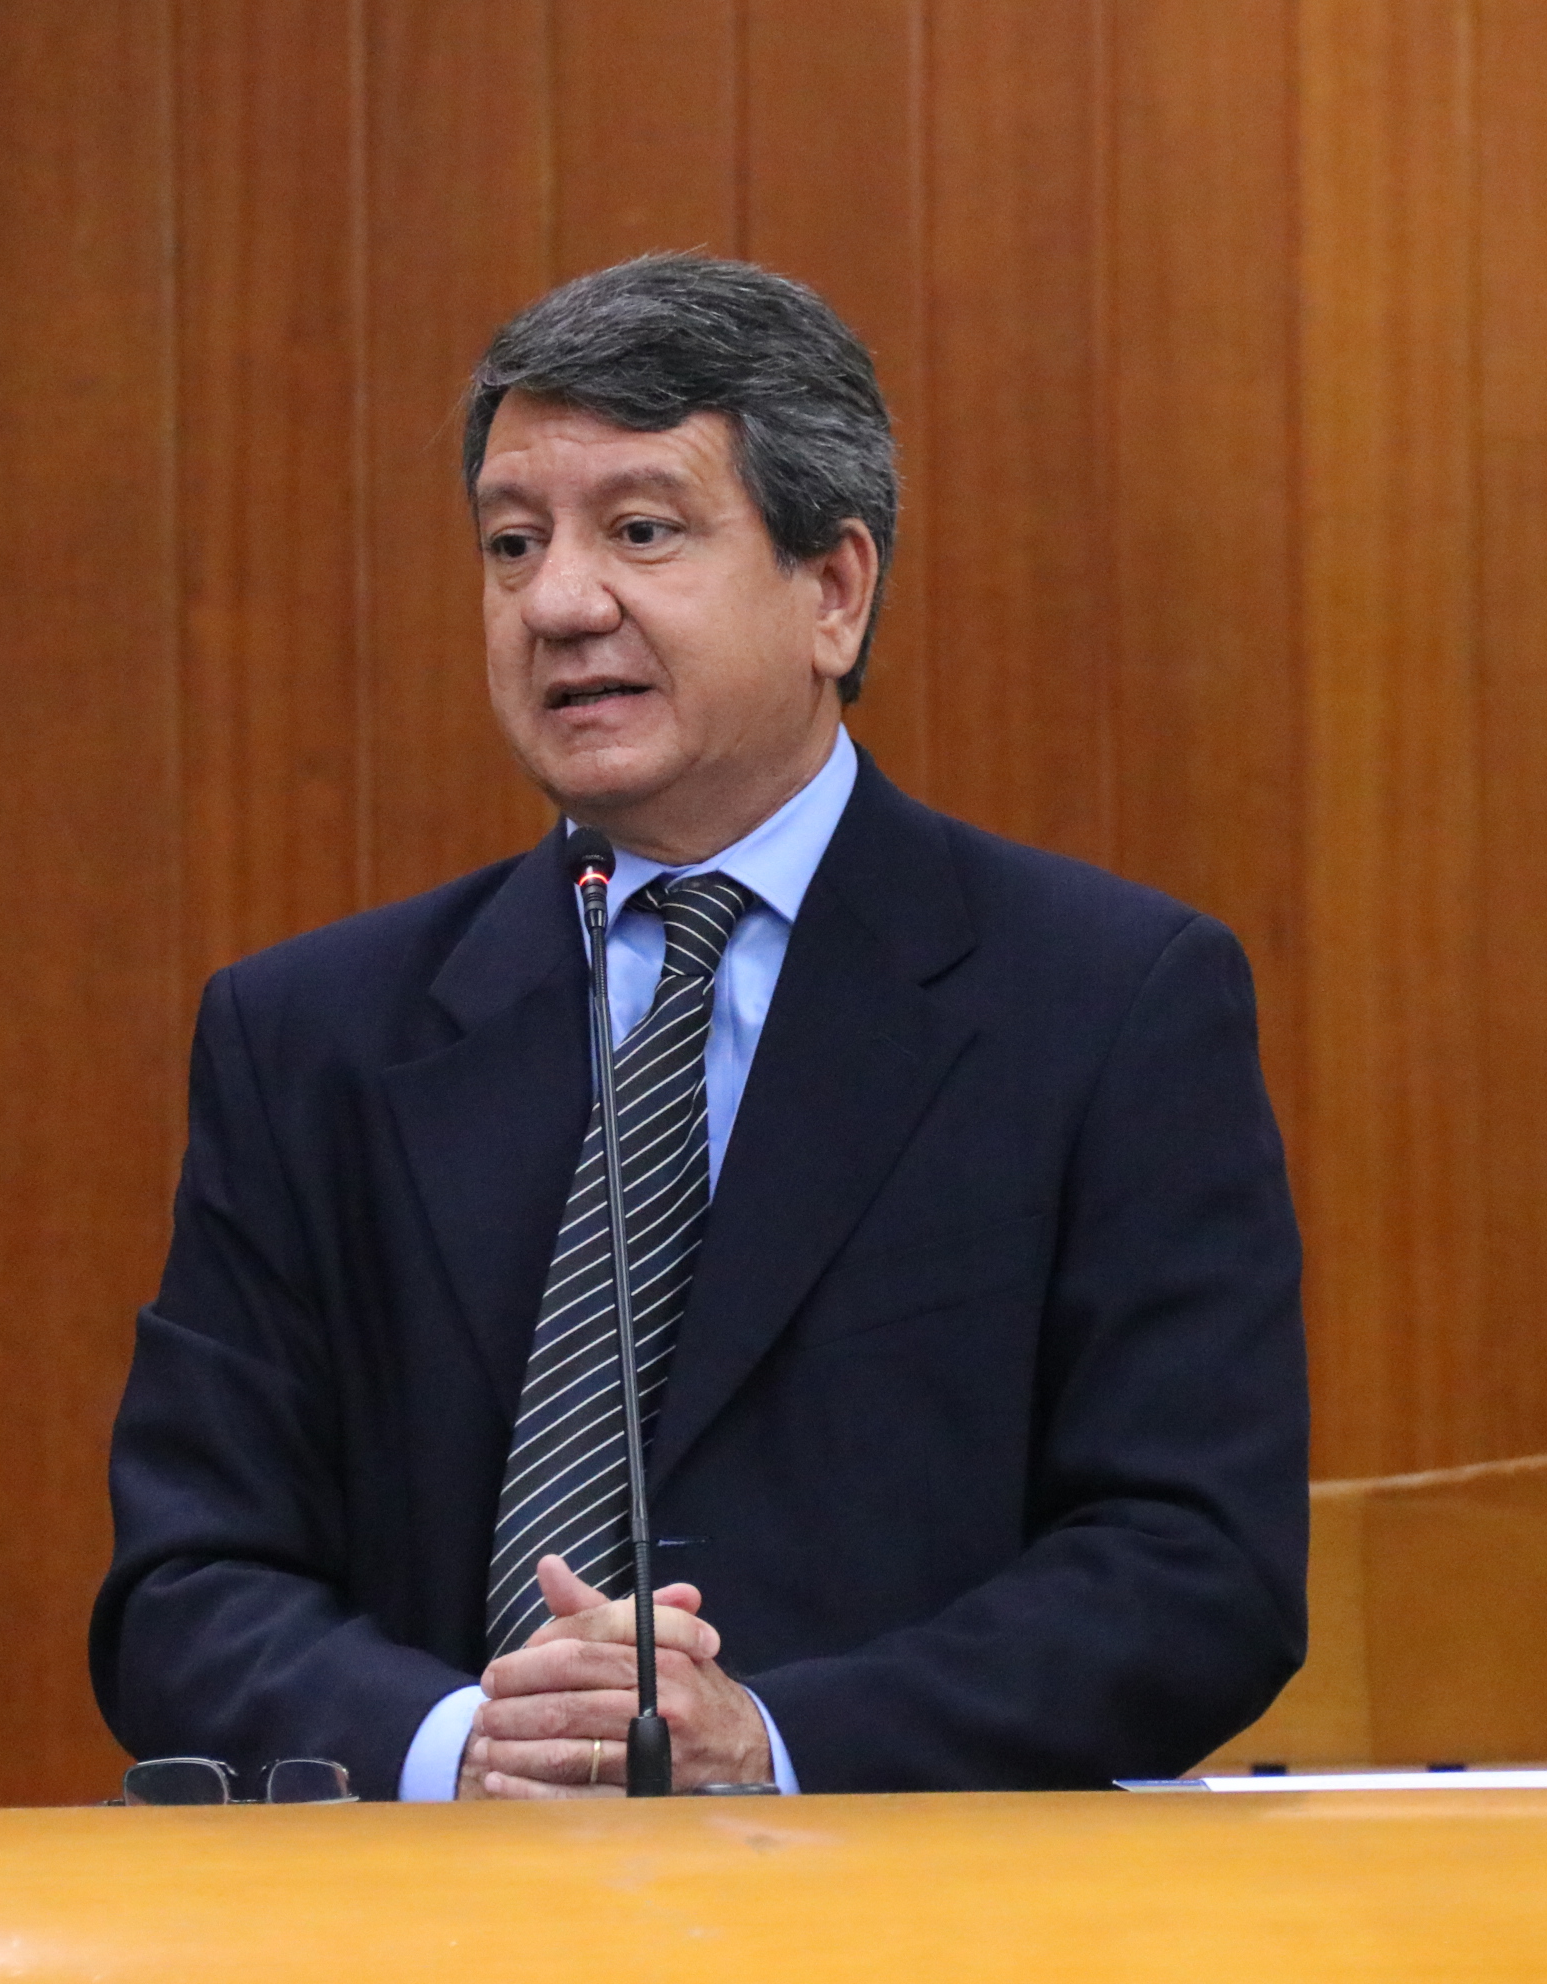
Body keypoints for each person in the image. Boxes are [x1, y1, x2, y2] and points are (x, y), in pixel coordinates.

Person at [92, 254, 1307, 1799]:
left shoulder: (1104, 1002)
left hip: (901, 1900)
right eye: (512, 543)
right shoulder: (309, 1037)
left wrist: (774, 1745)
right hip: (437, 1902)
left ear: (834, 590)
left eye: (642, 531)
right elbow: (187, 1584)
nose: (559, 601)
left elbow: (1196, 1567)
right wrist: (469, 1748)